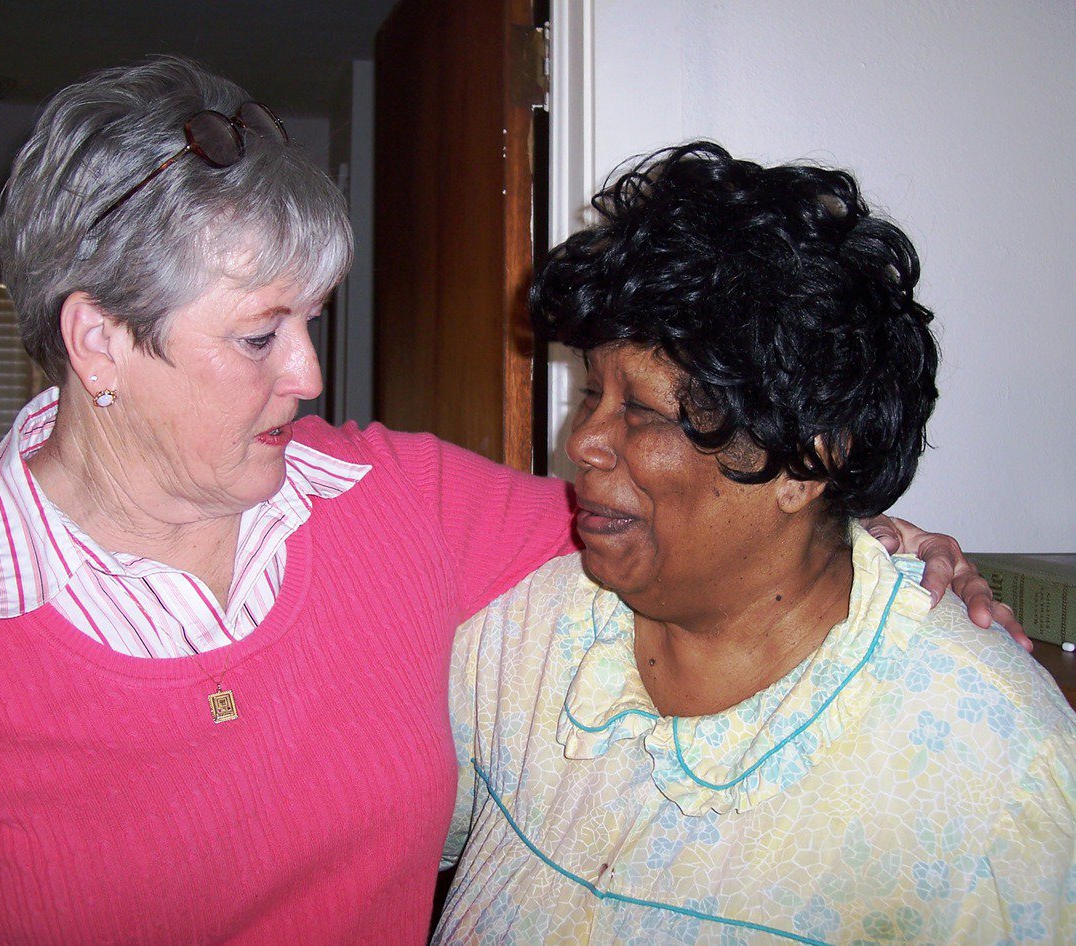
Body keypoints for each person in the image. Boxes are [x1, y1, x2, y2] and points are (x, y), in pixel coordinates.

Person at [0, 58, 1013, 944]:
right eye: (260, 334)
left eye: (312, 320)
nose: (311, 376)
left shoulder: (400, 505)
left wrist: (869, 535)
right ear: (99, 341)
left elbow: (685, 517)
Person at [437, 143, 1076, 944]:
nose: (584, 443)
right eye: (594, 392)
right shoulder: (518, 640)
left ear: (805, 461)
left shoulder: (993, 764)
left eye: (641, 412)